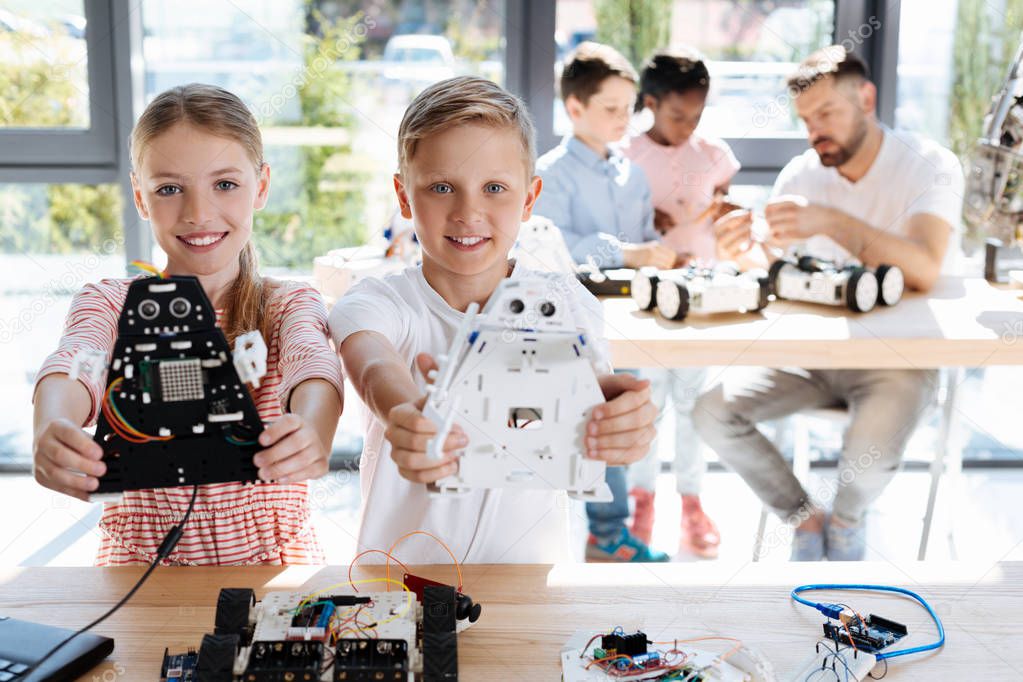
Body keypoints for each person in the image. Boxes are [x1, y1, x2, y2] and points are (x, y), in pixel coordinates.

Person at [331, 76, 659, 564]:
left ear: (529, 199)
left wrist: (618, 424)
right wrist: (405, 412)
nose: (468, 212)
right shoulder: (377, 302)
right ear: (404, 197)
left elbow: (592, 388)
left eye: (494, 188)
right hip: (395, 594)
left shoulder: (568, 303)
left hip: (527, 586)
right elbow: (375, 365)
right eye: (442, 187)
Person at [32, 84, 345, 565]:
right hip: (139, 570)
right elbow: (78, 359)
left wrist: (314, 431)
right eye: (170, 189)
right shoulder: (112, 303)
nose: (198, 214)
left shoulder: (285, 304)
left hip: (276, 566)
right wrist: (52, 424)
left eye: (224, 184)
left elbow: (314, 365)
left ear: (260, 187)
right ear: (140, 196)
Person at [696, 46, 963, 561]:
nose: (814, 131)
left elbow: (926, 267)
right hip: (809, 358)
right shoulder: (801, 172)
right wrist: (743, 250)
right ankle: (804, 518)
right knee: (710, 410)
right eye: (804, 119)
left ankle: (845, 522)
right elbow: (777, 269)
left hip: (897, 360)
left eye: (826, 114)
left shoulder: (928, 163)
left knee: (869, 453)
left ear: (866, 97)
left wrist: (832, 221)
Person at [534, 41, 672, 562]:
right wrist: (632, 253)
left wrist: (653, 252)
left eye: (628, 109)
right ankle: (605, 532)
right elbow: (555, 246)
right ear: (575, 109)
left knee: (633, 411)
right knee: (597, 414)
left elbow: (641, 240)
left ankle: (615, 529)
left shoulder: (630, 173)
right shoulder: (551, 173)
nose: (624, 120)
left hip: (632, 316)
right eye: (610, 109)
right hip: (576, 321)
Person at [623, 47, 739, 557]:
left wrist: (725, 209)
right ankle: (641, 499)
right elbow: (619, 224)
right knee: (647, 406)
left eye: (696, 116)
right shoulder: (627, 154)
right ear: (650, 103)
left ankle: (691, 501)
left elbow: (728, 201)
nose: (687, 127)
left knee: (694, 408)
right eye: (677, 116)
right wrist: (649, 223)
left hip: (702, 300)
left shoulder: (712, 153)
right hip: (646, 304)